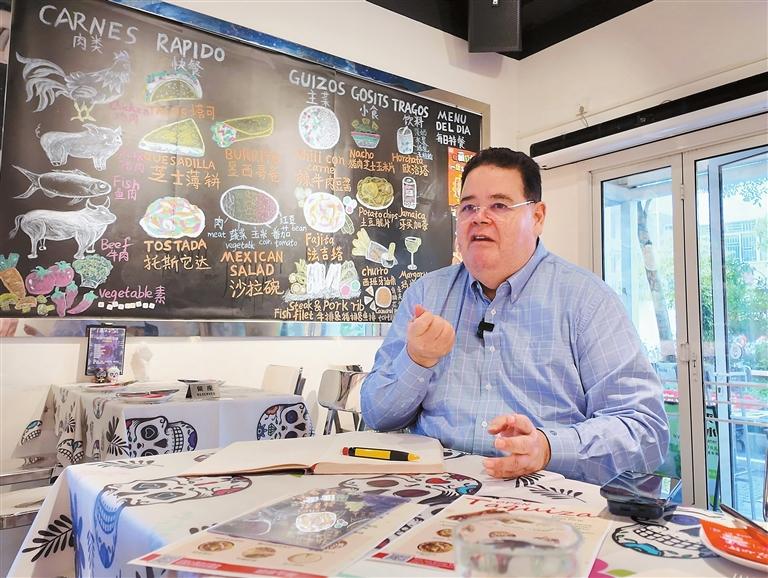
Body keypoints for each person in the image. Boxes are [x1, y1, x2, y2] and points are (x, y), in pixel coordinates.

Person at [361, 147, 668, 485]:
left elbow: (645, 431)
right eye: (468, 207)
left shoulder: (587, 301)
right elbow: (377, 416)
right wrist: (417, 360)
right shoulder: (426, 296)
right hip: (433, 489)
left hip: (544, 498)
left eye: (499, 205)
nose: (479, 218)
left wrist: (548, 448)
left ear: (537, 217)